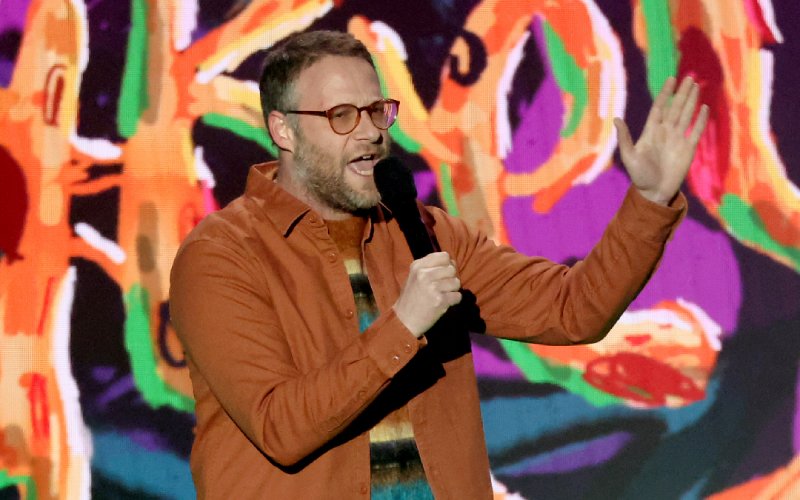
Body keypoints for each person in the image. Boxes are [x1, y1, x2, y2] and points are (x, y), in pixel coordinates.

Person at [169, 30, 708, 499]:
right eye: (342, 116)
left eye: (377, 111)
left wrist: (649, 201)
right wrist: (403, 326)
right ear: (283, 130)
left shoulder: (423, 232)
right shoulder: (222, 255)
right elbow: (280, 427)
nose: (370, 132)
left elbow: (574, 310)